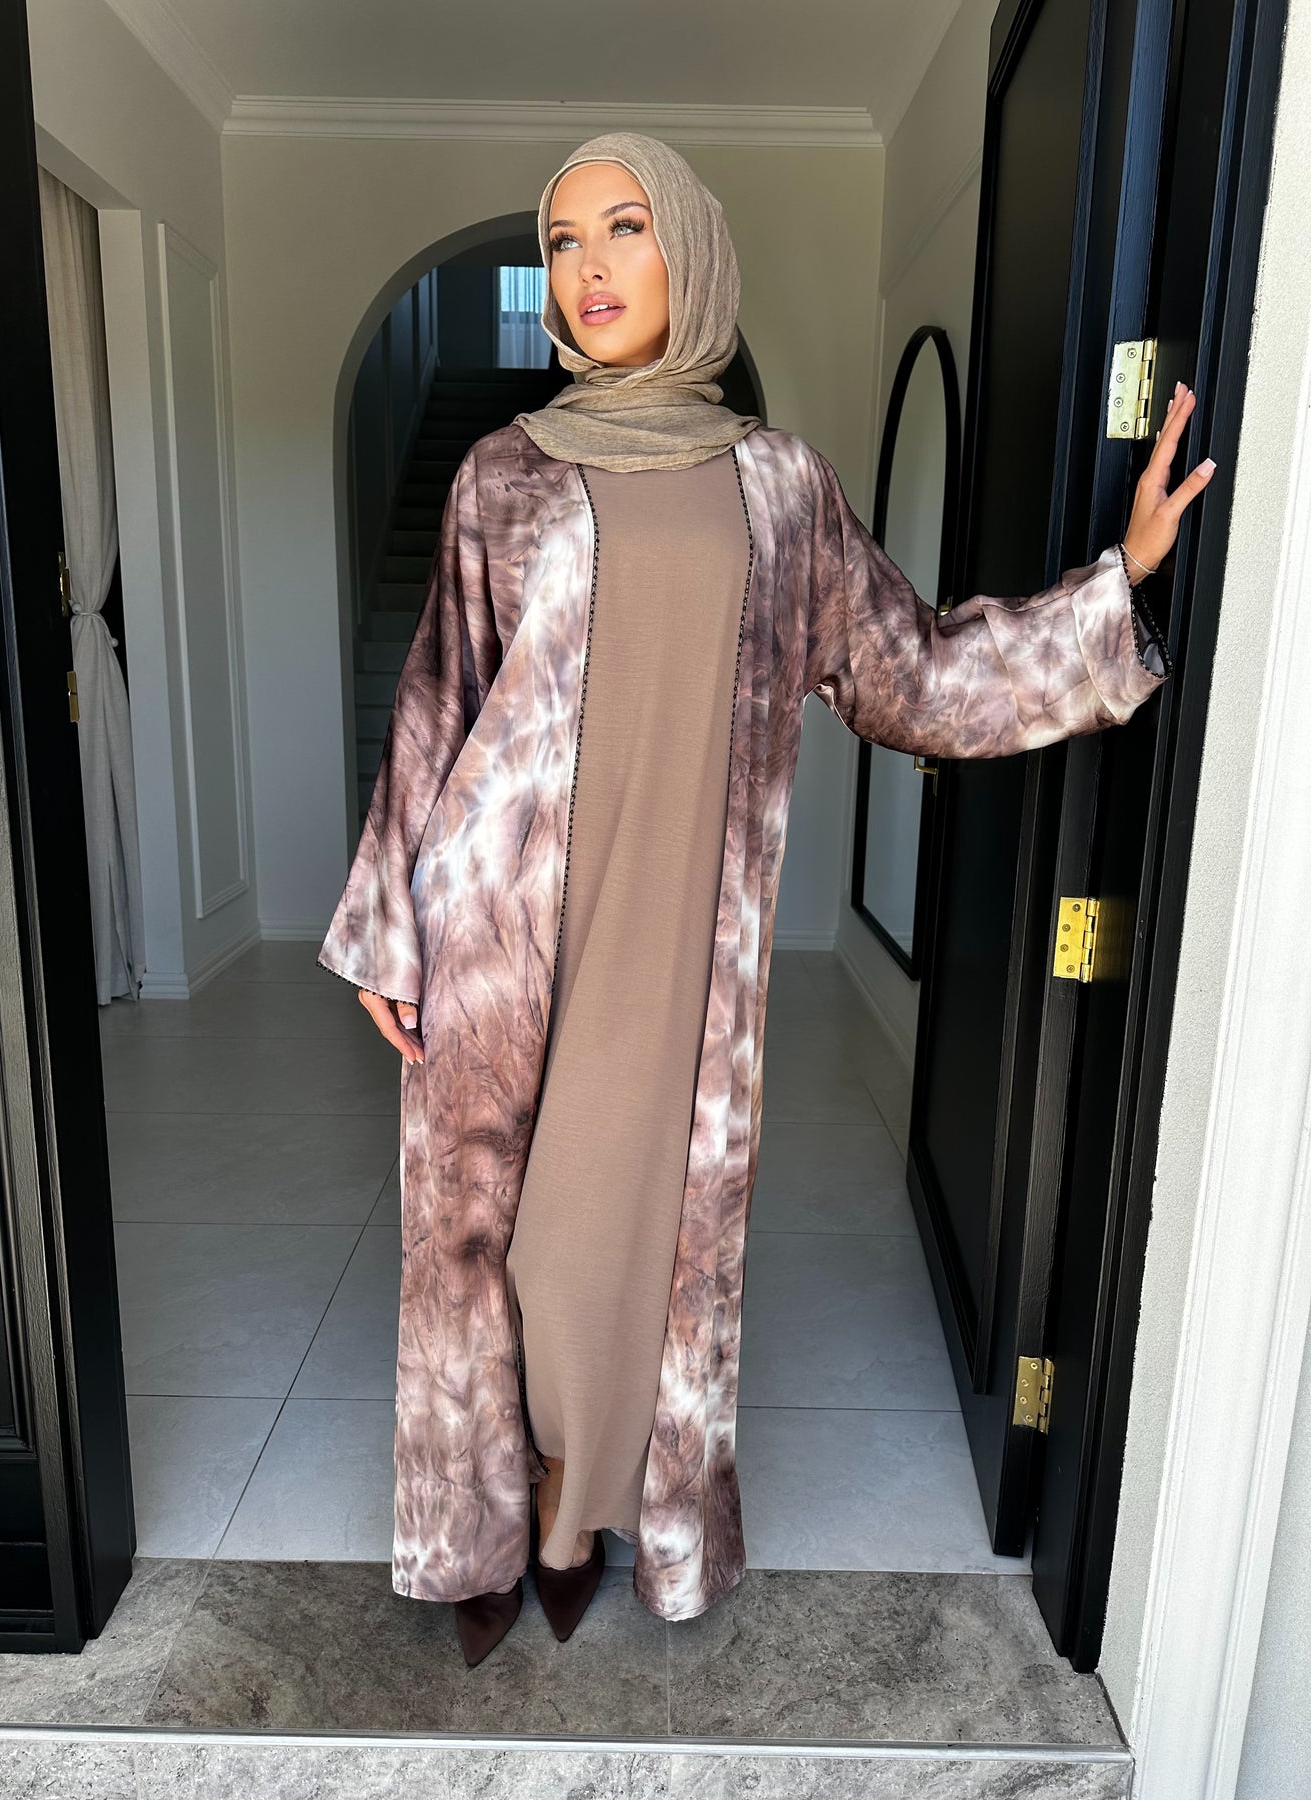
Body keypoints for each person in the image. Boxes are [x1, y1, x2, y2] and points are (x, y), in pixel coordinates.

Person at [317, 132, 1210, 1670]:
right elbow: (434, 705)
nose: (589, 267)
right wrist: (389, 932)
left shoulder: (781, 488)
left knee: (619, 1249)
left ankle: (576, 1506)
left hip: (679, 947)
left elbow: (916, 673)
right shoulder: (500, 475)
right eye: (562, 240)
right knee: (480, 1246)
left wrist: (1111, 584)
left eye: (624, 228)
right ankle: (480, 1525)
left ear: (690, 250)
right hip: (501, 936)